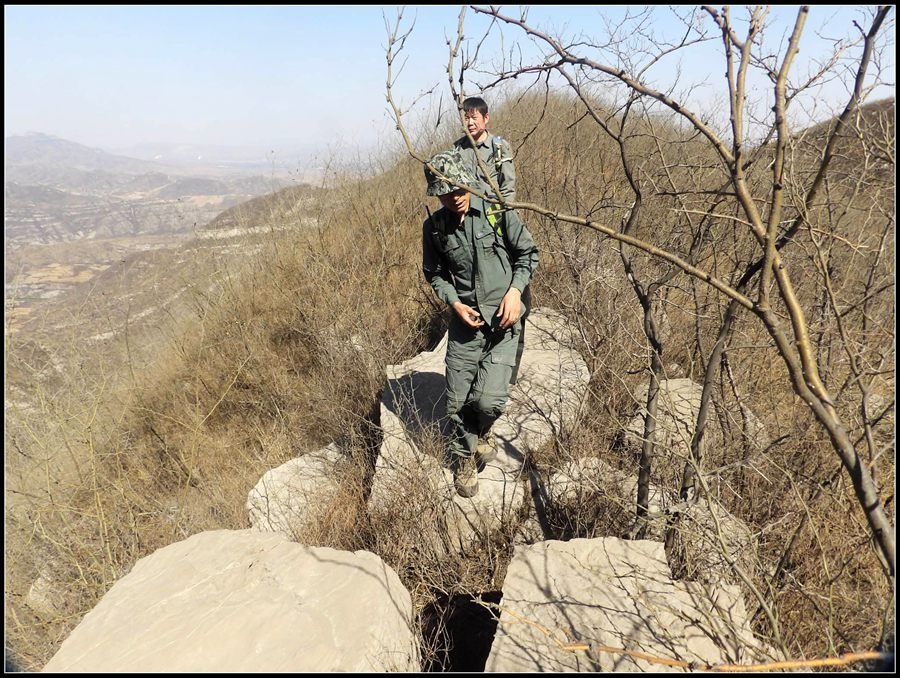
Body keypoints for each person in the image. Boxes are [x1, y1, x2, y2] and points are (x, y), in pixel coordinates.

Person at [421, 149, 539, 497]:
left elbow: (528, 253)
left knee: (488, 402)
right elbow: (435, 274)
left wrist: (516, 292)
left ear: (468, 185)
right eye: (445, 192)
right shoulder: (435, 228)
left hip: (503, 321)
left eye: (458, 189)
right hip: (465, 324)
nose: (454, 197)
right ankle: (464, 459)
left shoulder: (496, 212)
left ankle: (482, 428)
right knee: (457, 400)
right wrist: (454, 303)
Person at [453, 96, 516, 203]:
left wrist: (503, 212)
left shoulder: (499, 146)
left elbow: (508, 188)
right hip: (466, 211)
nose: (470, 123)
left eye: (474, 117)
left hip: (492, 210)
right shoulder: (458, 148)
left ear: (486, 118)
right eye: (466, 118)